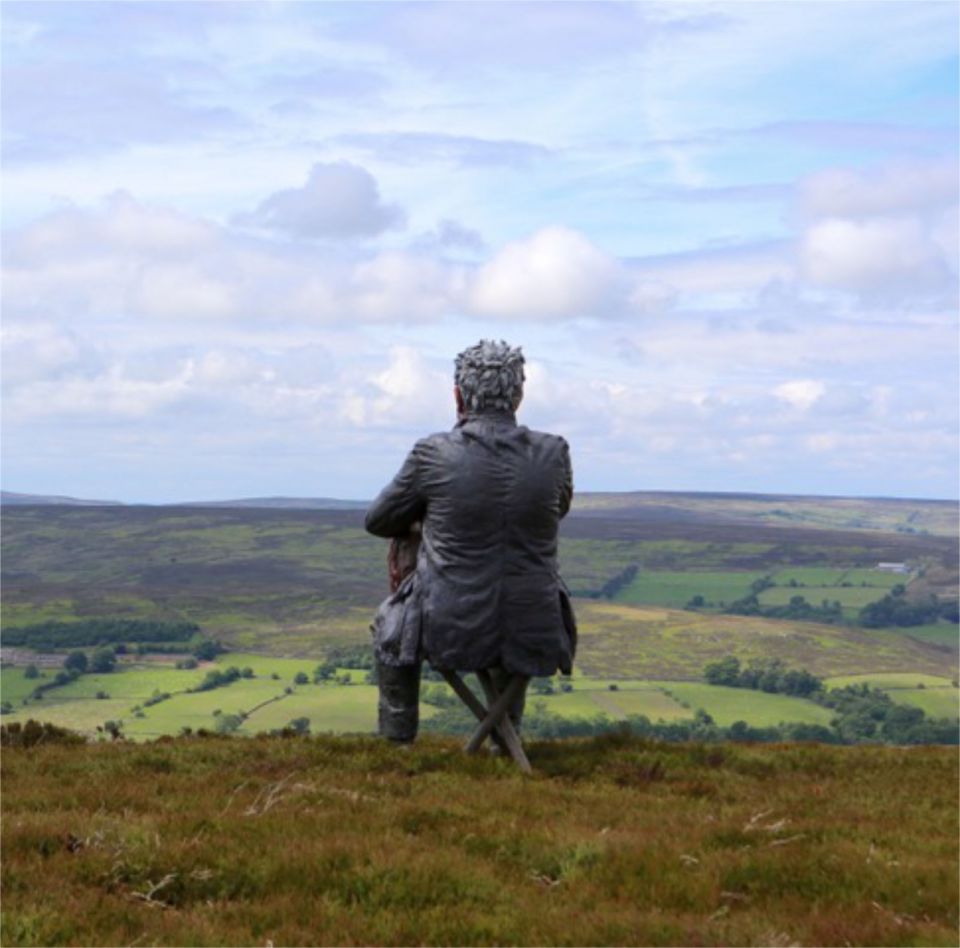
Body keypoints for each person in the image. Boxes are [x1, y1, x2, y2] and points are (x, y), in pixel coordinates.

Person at [365, 339, 576, 744]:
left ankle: (397, 744)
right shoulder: (554, 452)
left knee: (389, 626)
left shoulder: (432, 453)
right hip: (538, 623)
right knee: (510, 620)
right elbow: (557, 510)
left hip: (448, 625)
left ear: (458, 394)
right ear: (518, 395)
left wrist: (422, 526)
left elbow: (378, 520)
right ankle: (504, 739)